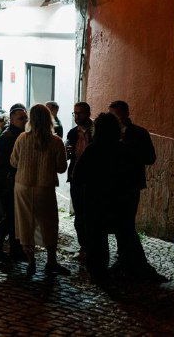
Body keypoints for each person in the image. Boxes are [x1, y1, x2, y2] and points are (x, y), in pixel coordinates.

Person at [71, 113, 134, 280]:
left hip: (95, 201)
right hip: (117, 201)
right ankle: (125, 265)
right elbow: (130, 177)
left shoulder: (93, 149)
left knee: (96, 238)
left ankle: (98, 270)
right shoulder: (123, 149)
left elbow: (77, 176)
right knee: (121, 233)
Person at [10, 104, 69, 276]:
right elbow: (61, 168)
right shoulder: (56, 141)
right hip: (45, 187)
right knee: (49, 223)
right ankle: (51, 261)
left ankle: (31, 262)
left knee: (25, 222)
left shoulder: (22, 138)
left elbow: (13, 162)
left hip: (22, 186)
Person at [108, 100, 164, 280]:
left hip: (130, 184)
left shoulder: (139, 133)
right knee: (117, 223)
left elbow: (150, 158)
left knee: (127, 223)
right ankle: (123, 257)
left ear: (125, 114)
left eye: (115, 116)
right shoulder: (108, 134)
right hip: (113, 185)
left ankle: (129, 260)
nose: (113, 120)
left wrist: (128, 149)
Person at [0, 104, 29, 263]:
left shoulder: (19, 134)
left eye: (25, 117)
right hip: (9, 184)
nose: (24, 120)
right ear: (12, 119)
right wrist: (3, 186)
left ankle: (14, 249)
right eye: (21, 118)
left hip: (14, 182)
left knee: (14, 219)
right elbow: (4, 164)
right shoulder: (9, 136)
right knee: (10, 218)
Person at [66, 102, 94, 259]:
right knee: (79, 216)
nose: (77, 117)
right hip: (76, 178)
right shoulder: (72, 133)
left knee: (90, 215)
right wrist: (68, 153)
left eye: (80, 113)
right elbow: (69, 157)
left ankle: (92, 248)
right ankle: (84, 247)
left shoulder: (96, 131)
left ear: (88, 113)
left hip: (92, 179)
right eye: (74, 113)